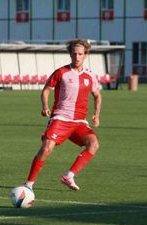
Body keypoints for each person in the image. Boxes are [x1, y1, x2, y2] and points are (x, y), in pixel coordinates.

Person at [24, 39, 102, 192]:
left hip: (79, 122)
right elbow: (46, 90)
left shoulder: (90, 76)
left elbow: (97, 95)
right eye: (74, 54)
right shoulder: (61, 72)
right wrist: (45, 106)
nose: (77, 57)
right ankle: (29, 184)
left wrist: (96, 115)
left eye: (80, 54)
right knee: (46, 148)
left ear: (85, 55)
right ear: (70, 54)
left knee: (94, 144)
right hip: (61, 118)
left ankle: (69, 175)